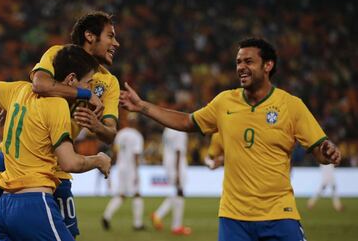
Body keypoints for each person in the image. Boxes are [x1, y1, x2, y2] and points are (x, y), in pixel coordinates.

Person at [119, 37, 342, 241]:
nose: (241, 67)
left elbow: (319, 150)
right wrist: (142, 107)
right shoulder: (224, 102)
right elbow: (188, 122)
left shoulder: (291, 106)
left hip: (279, 215)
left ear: (268, 66)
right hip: (233, 219)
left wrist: (328, 150)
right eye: (238, 62)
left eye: (248, 61)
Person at [0, 11, 120, 238]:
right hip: (15, 162)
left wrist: (96, 126)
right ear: (89, 36)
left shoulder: (110, 83)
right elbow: (40, 85)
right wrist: (84, 93)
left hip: (56, 167)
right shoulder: (57, 54)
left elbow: (110, 133)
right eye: (110, 36)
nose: (116, 43)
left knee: (66, 234)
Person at [0, 44, 111, 240]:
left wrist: (9, 107)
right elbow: (69, 163)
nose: (90, 89)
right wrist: (99, 160)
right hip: (33, 204)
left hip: (3, 207)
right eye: (88, 83)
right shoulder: (57, 106)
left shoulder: (19, 90)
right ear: (71, 79)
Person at [102, 113, 145, 231]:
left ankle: (107, 215)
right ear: (135, 122)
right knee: (137, 194)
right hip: (131, 168)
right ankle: (138, 224)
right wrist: (136, 173)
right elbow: (136, 156)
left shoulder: (120, 134)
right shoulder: (137, 136)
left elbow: (115, 153)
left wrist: (112, 167)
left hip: (121, 167)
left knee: (121, 195)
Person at [151, 127, 191, 235]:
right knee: (180, 192)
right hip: (177, 164)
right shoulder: (180, 130)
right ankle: (176, 226)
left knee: (178, 192)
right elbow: (178, 150)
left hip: (168, 162)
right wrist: (178, 171)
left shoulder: (167, 129)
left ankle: (159, 215)